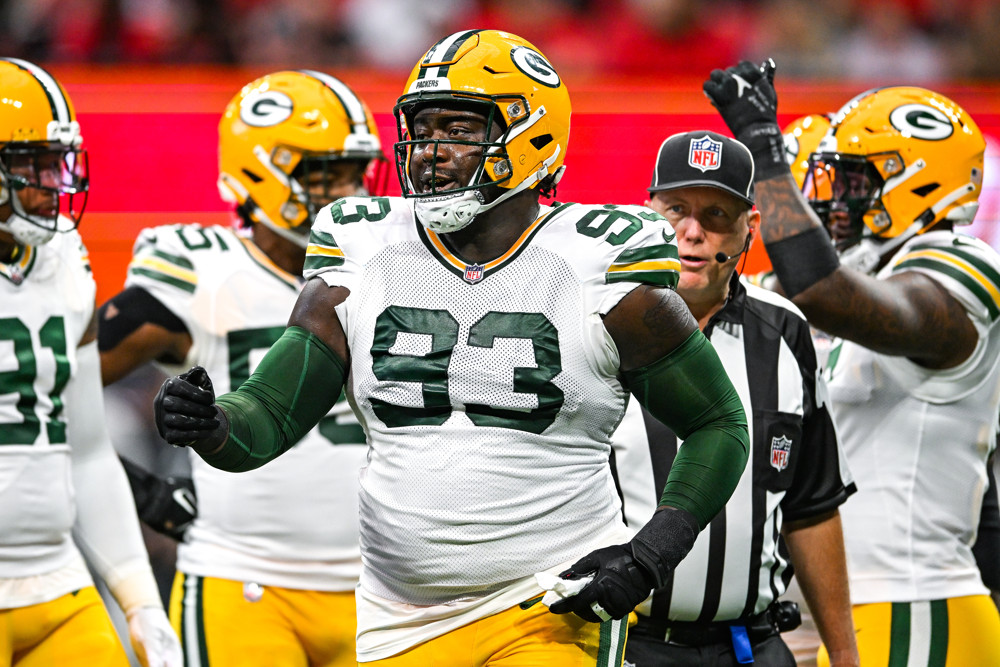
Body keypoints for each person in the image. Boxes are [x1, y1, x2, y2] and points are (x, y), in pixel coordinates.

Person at [152, 29, 751, 666]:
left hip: (546, 603)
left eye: (460, 130)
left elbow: (719, 423)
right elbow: (270, 415)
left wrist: (651, 552)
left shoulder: (596, 261)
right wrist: (212, 426)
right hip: (396, 615)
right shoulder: (363, 246)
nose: (429, 152)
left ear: (533, 137)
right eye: (423, 129)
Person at [704, 60, 1000, 665]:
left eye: (855, 181)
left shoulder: (962, 265)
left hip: (911, 605)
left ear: (918, 182)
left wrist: (763, 146)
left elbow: (824, 294)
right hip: (807, 611)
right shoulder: (851, 272)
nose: (834, 199)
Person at [97, 69, 385, 666]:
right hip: (243, 579)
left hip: (389, 587)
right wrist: (135, 487)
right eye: (324, 173)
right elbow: (46, 383)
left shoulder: (396, 268)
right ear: (262, 172)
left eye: (357, 172)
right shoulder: (206, 270)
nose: (348, 192)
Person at [610, 130, 858, 666]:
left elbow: (811, 506)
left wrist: (845, 658)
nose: (692, 232)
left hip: (751, 646)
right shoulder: (597, 322)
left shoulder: (786, 332)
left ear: (751, 230)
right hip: (622, 645)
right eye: (676, 209)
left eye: (718, 214)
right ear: (646, 212)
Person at [0, 57, 181, 667]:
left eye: (59, 161)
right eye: (33, 164)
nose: (55, 182)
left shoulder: (62, 259)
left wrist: (139, 601)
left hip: (56, 578)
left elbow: (86, 452)